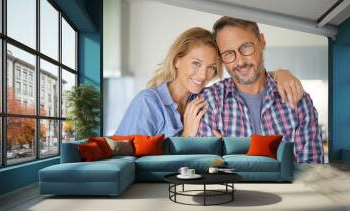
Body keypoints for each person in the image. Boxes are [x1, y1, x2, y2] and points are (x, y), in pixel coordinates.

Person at [115, 27, 304, 138]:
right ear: (176, 60)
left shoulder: (202, 99)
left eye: (211, 67)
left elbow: (246, 78)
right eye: (196, 64)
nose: (203, 75)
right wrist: (187, 137)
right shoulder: (148, 103)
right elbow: (126, 158)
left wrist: (280, 73)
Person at [197, 17, 323, 163]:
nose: (240, 62)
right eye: (228, 54)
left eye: (245, 47)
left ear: (262, 41)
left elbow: (311, 167)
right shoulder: (210, 102)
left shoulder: (297, 99)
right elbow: (207, 167)